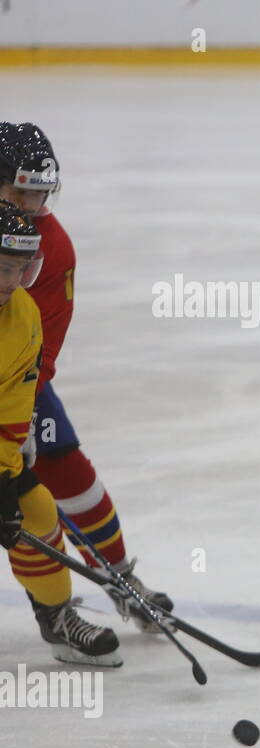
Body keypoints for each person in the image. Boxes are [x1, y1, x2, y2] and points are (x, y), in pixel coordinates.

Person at [0, 122, 173, 632]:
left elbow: (40, 344)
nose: (32, 206)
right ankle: (51, 608)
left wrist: (23, 413)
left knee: (61, 466)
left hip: (13, 378)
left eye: (41, 193)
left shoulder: (50, 247)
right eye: (21, 191)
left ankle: (117, 577)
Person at [0, 199, 120, 666]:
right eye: (3, 268)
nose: (11, 282)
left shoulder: (24, 316)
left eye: (20, 270)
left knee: (37, 507)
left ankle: (57, 618)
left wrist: (5, 478)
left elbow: (12, 405)